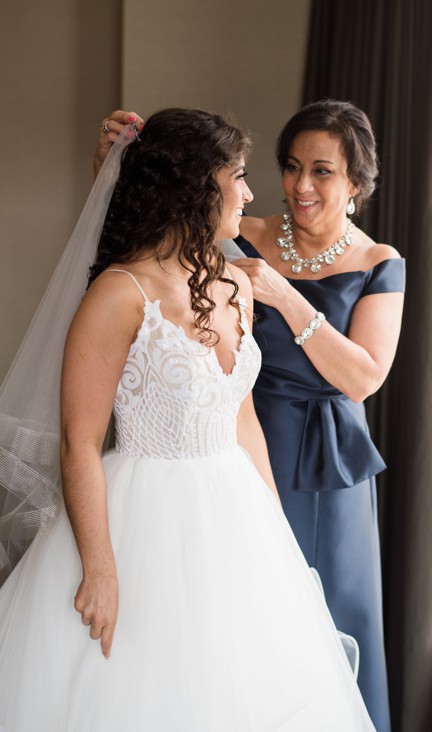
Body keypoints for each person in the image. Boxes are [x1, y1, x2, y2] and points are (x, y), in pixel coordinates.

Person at [0, 108, 375, 730]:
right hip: (140, 513)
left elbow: (244, 417)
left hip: (234, 508)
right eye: (239, 175)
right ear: (196, 187)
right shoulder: (119, 292)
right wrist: (99, 567)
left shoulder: (235, 284)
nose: (252, 193)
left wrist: (276, 534)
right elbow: (79, 441)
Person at [98, 99, 404, 732]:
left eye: (322, 171)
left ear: (356, 184)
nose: (300, 186)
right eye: (292, 167)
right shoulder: (246, 231)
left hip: (325, 462)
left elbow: (364, 378)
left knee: (326, 614)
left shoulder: (380, 263)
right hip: (233, 440)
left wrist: (286, 296)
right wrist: (116, 166)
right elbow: (158, 247)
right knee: (218, 622)